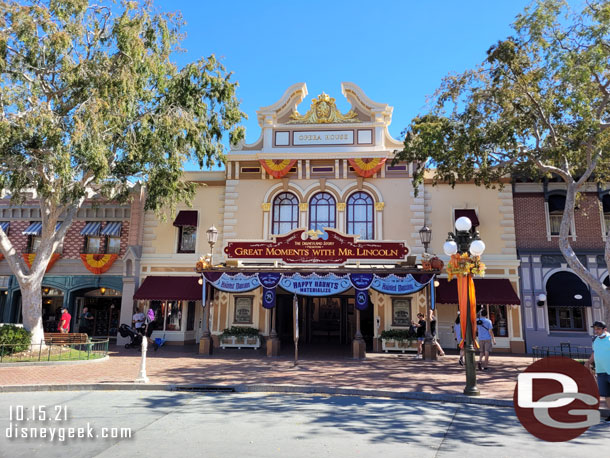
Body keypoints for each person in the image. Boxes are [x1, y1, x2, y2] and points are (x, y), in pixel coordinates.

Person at [585, 321, 610, 422]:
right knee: (607, 394)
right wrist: (588, 362)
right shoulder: (595, 340)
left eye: (598, 329)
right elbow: (595, 352)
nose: (596, 331)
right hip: (601, 371)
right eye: (595, 329)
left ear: (605, 329)